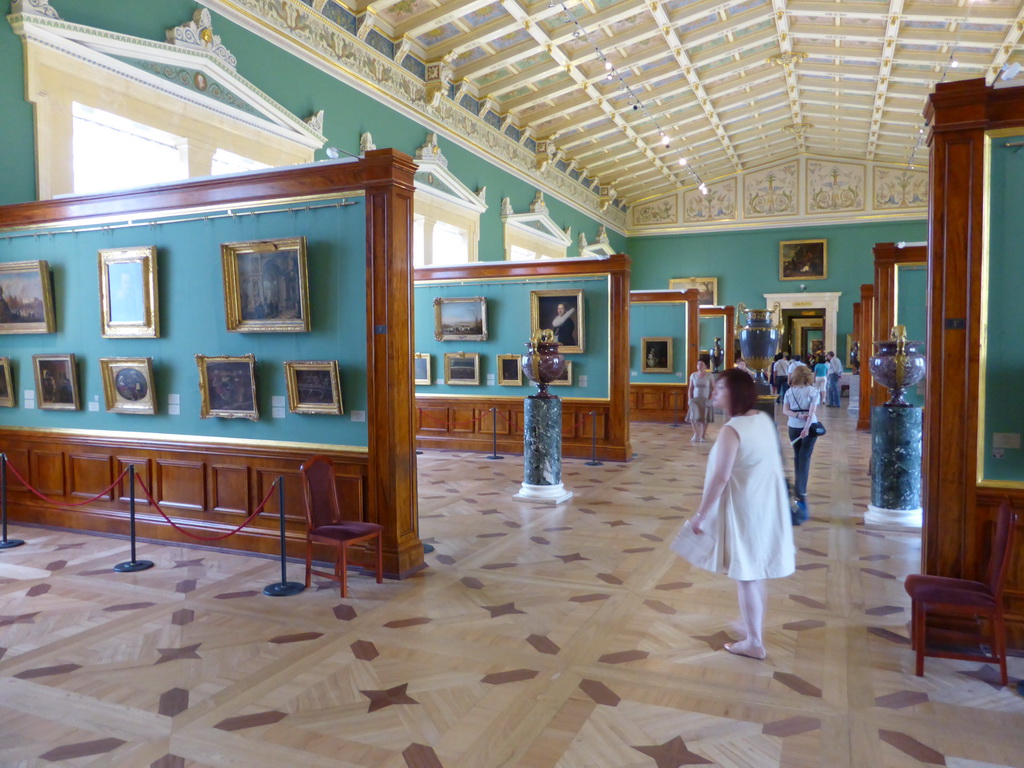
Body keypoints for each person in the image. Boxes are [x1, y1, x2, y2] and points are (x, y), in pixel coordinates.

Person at [677, 369, 795, 660]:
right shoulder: (763, 420)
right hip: (764, 506)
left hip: (744, 511)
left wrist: (700, 516)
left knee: (747, 576)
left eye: (720, 388)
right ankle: (749, 625)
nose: (714, 393)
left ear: (736, 394)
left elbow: (720, 478)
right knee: (755, 574)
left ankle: (754, 641)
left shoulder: (733, 430)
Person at [782, 364, 820, 522]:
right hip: (809, 429)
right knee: (805, 457)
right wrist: (806, 427)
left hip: (793, 427)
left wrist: (798, 418)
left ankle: (798, 490)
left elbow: (786, 411)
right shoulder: (813, 391)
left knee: (797, 457)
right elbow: (811, 414)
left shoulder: (790, 391)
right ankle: (801, 492)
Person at [687, 359, 713, 442]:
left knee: (704, 418)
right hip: (695, 400)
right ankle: (696, 434)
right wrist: (689, 399)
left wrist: (711, 399)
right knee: (693, 418)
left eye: (701, 364)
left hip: (705, 399)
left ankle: (702, 435)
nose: (699, 366)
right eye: (698, 364)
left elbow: (713, 389)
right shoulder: (693, 375)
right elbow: (690, 388)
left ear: (705, 366)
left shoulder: (709, 376)